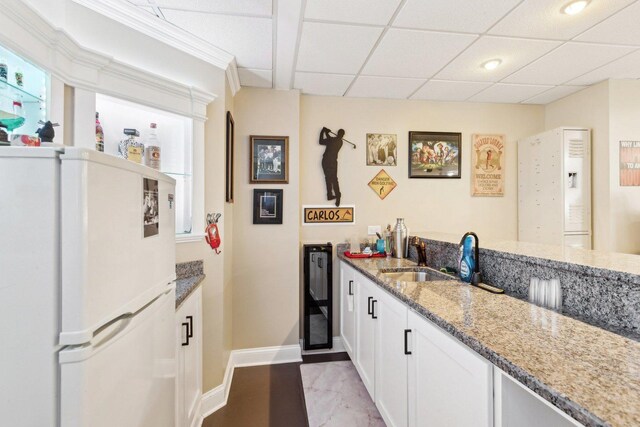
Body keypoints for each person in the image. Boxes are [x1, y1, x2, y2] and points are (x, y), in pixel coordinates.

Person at [319, 127, 344, 207]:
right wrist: (325, 132)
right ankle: (330, 195)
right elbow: (323, 141)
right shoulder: (339, 141)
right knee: (331, 179)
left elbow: (322, 141)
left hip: (327, 161)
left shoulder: (336, 141)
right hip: (330, 161)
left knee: (331, 179)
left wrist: (324, 131)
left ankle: (334, 195)